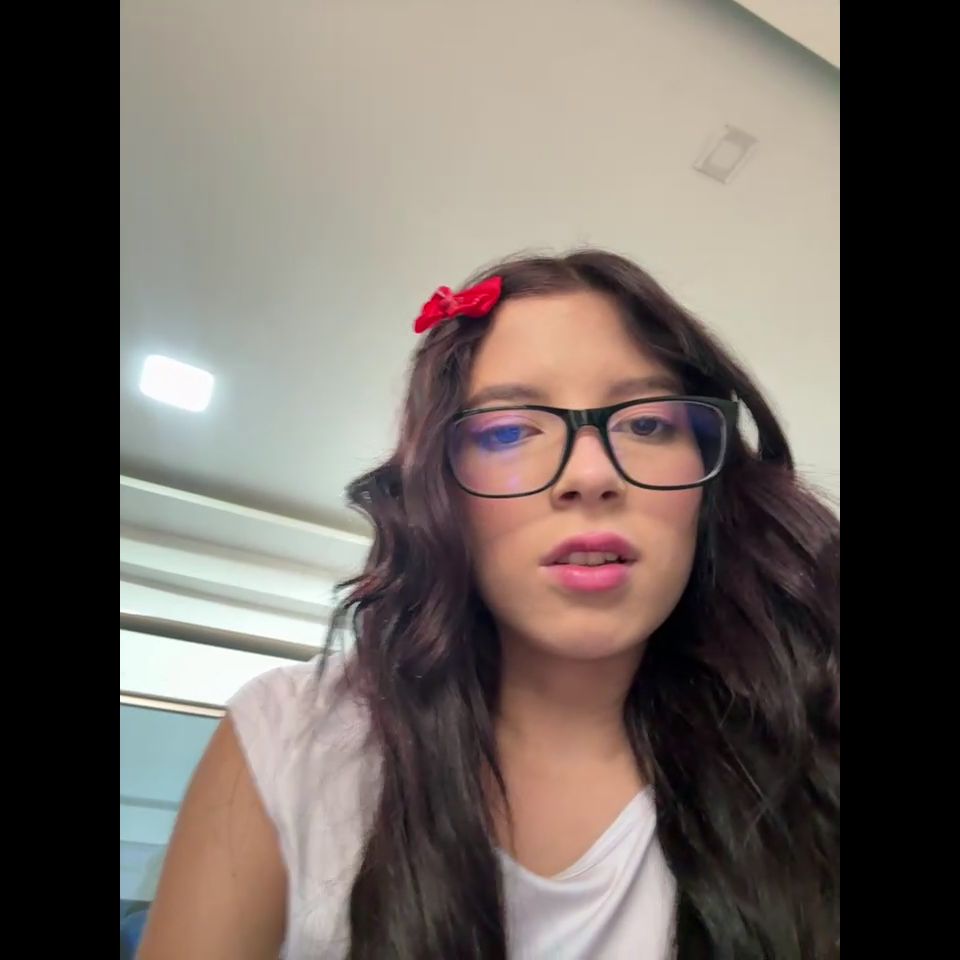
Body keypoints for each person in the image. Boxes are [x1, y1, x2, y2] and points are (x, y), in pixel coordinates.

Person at [139, 250, 840, 959]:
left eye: (648, 424)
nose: (590, 474)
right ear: (439, 495)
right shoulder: (288, 742)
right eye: (508, 431)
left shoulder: (804, 750)